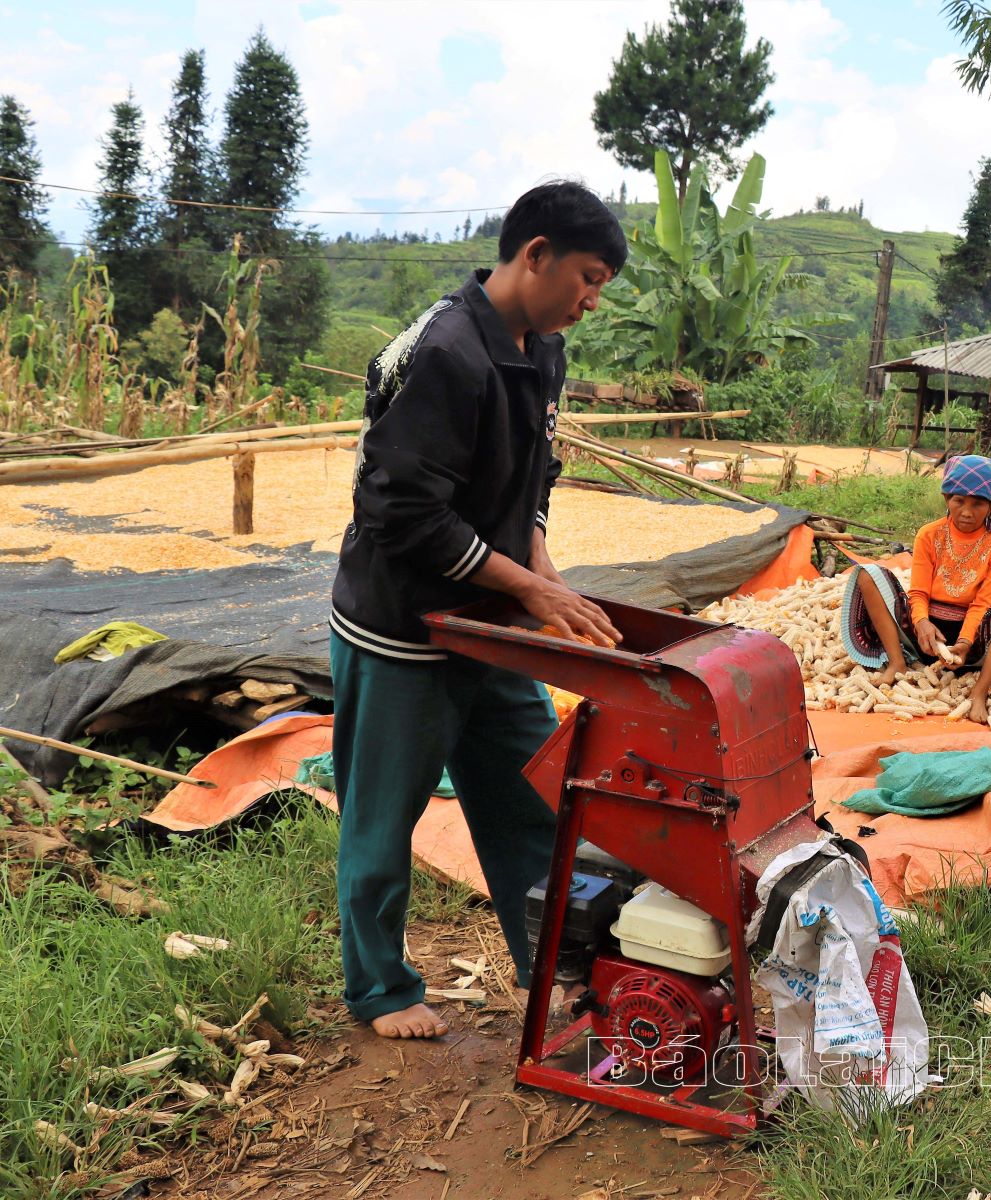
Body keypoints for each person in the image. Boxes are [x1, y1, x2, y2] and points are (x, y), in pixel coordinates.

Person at [328, 181, 627, 1040]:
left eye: (602, 285)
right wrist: (530, 591)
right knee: (384, 818)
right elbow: (402, 512)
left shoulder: (543, 350)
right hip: (405, 627)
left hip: (490, 626)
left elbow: (532, 481)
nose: (592, 299)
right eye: (587, 277)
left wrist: (543, 572)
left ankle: (555, 973)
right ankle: (381, 989)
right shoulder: (446, 351)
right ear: (535, 255)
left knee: (531, 804)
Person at [841, 454, 991, 726]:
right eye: (959, 501)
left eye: (978, 504)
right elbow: (918, 592)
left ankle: (979, 691)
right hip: (923, 635)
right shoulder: (929, 535)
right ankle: (897, 662)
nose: (967, 511)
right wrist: (921, 624)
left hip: (972, 641)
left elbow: (983, 603)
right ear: (947, 499)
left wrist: (965, 643)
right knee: (868, 574)